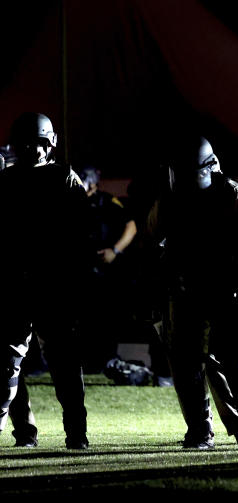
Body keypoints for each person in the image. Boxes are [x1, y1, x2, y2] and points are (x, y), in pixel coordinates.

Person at [147, 135, 238, 449]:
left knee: (232, 359)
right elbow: (152, 245)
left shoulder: (230, 193)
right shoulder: (169, 198)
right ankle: (200, 430)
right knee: (186, 363)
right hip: (185, 288)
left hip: (226, 288)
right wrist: (154, 292)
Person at [0, 112, 89, 449]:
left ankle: (76, 434)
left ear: (49, 143)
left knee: (65, 366)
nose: (33, 150)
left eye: (38, 143)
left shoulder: (64, 177)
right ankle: (24, 432)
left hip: (54, 286)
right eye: (27, 143)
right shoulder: (6, 180)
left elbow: (82, 233)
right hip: (16, 285)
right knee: (7, 366)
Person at [78, 166, 138, 373]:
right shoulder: (73, 203)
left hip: (107, 269)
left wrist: (115, 250)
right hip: (84, 269)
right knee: (84, 318)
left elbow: (131, 226)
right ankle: (88, 362)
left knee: (108, 316)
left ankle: (108, 359)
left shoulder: (108, 201)